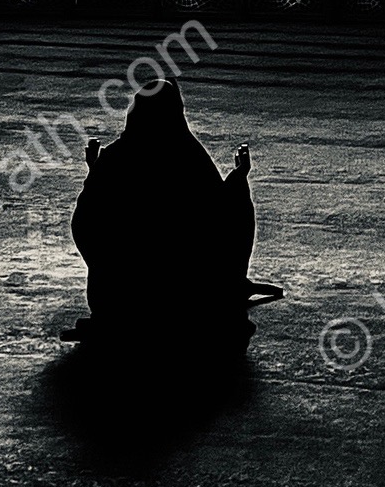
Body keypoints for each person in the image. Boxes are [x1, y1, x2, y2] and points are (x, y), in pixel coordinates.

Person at [69, 76, 257, 361]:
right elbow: (221, 219)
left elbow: (87, 222)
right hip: (185, 299)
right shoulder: (190, 157)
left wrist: (97, 172)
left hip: (121, 299)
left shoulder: (116, 158)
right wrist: (238, 178)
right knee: (237, 206)